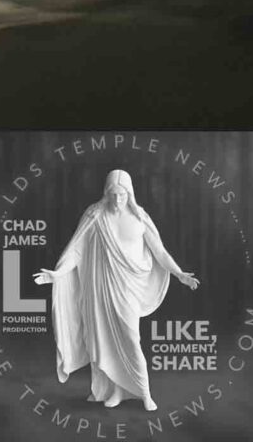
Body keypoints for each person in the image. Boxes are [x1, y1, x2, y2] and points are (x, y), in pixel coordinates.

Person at [34, 168, 200, 413]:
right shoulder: (94, 216)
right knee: (106, 340)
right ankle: (116, 391)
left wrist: (179, 273)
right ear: (106, 193)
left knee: (131, 339)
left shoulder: (140, 217)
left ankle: (144, 393)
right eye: (112, 194)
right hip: (101, 289)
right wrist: (57, 274)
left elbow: (160, 252)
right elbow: (76, 251)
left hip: (129, 289)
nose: (117, 200)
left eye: (122, 195)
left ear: (129, 194)